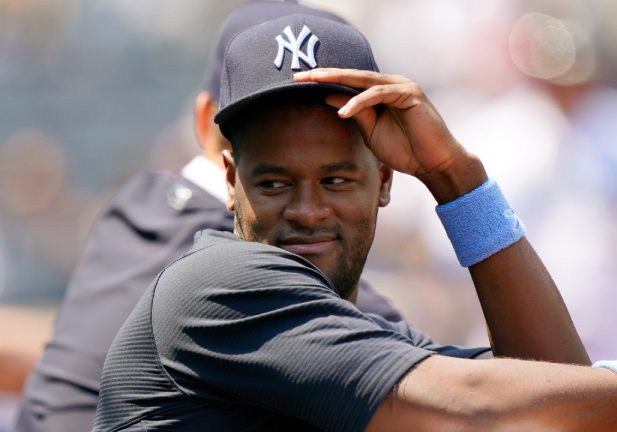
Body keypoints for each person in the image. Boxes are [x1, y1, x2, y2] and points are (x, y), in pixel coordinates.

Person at [93, 13, 617, 432]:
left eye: (336, 179)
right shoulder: (219, 285)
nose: (307, 208)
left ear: (385, 182)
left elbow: (557, 416)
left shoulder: (369, 326)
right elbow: (479, 407)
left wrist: (455, 180)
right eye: (273, 182)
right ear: (230, 179)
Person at [13, 3, 403, 432]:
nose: (307, 209)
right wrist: (455, 180)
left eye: (334, 170)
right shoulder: (235, 265)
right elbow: (475, 397)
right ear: (229, 159)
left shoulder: (140, 205)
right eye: (271, 144)